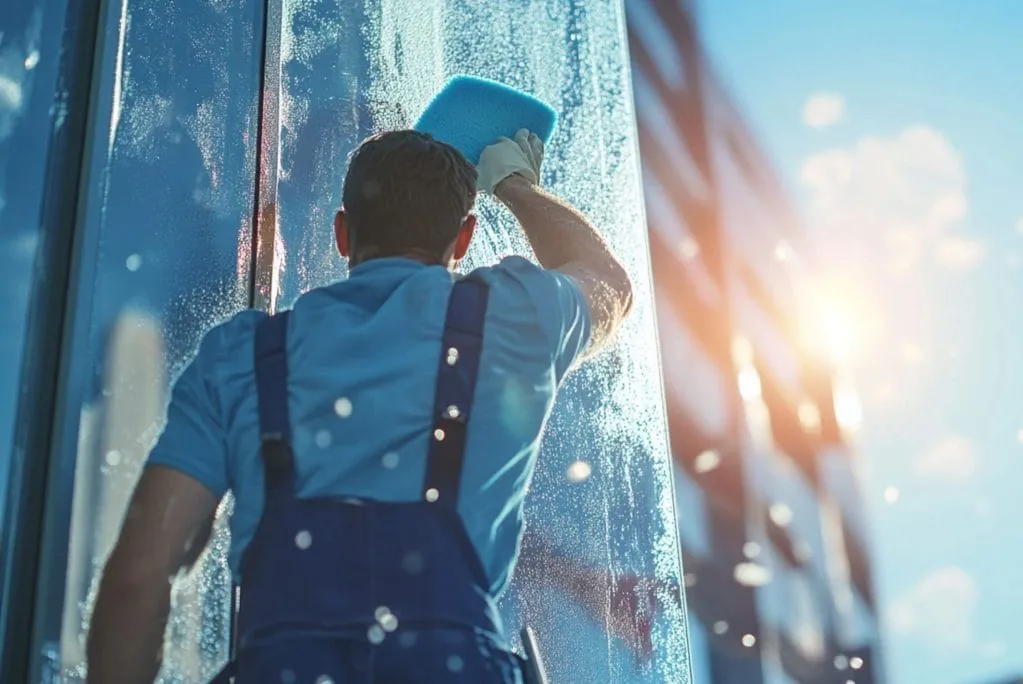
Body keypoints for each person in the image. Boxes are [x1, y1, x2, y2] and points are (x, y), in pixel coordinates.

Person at [86, 128, 633, 683]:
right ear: (464, 239)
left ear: (343, 233)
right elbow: (608, 282)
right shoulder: (513, 317)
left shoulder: (240, 358)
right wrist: (514, 185)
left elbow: (139, 574)